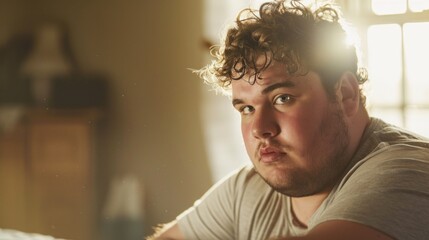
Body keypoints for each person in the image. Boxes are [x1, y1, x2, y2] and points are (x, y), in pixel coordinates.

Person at [147, 0, 429, 239]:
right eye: (246, 108)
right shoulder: (248, 190)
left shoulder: (409, 171)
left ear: (345, 94)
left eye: (282, 98)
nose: (259, 129)